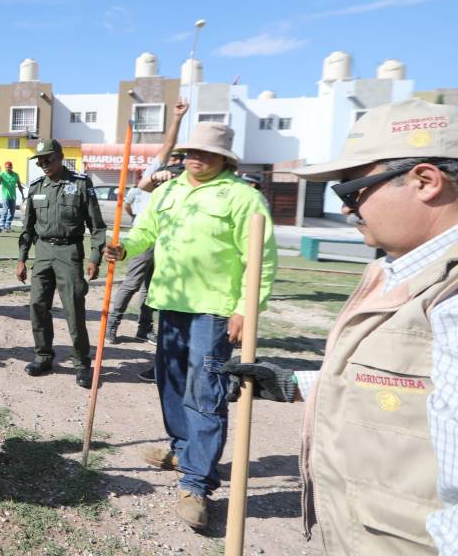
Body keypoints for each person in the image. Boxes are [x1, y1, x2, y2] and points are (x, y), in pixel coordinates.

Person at [285, 99, 458, 556]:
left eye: (352, 190)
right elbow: (408, 393)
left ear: (425, 180)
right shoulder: (405, 270)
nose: (344, 207)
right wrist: (292, 383)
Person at [103, 121, 276, 531]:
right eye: (190, 152)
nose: (195, 159)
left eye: (206, 153)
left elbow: (261, 260)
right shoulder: (167, 192)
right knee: (172, 383)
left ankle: (197, 482)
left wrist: (245, 310)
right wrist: (125, 246)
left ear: (224, 159)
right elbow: (146, 231)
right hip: (170, 304)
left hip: (214, 310)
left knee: (205, 393)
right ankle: (182, 448)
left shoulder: (243, 198)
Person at [17, 140, 106, 387]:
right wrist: (22, 259)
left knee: (74, 308)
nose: (44, 164)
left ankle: (81, 363)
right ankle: (43, 356)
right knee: (37, 305)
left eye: (48, 159)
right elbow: (27, 228)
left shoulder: (79, 184)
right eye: (40, 161)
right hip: (43, 250)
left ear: (60, 156)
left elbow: (96, 226)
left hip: (69, 250)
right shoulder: (36, 187)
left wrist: (95, 257)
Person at [106, 99, 190, 347]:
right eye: (173, 158)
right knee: (132, 283)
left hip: (166, 240)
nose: (175, 162)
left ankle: (144, 329)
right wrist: (177, 118)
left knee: (151, 288)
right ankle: (112, 326)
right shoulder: (155, 171)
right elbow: (168, 144)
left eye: (179, 160)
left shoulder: (180, 179)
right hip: (144, 237)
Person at [0, 160, 25, 232]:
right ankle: (2, 225)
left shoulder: (16, 175)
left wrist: (22, 195)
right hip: (5, 196)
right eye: (6, 167)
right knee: (5, 211)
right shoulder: (2, 174)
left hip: (13, 196)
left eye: (9, 167)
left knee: (12, 212)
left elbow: (19, 185)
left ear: (12, 167)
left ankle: (8, 225)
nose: (7, 168)